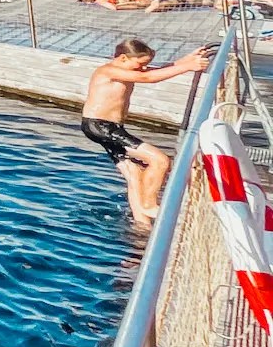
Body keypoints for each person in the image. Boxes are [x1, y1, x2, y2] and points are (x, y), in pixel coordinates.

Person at [80, 39, 216, 220]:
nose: (142, 69)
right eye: (140, 64)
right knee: (160, 161)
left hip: (104, 127)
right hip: (100, 125)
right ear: (122, 58)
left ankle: (140, 223)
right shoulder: (107, 71)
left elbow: (155, 71)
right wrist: (189, 67)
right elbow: (147, 78)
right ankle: (149, 205)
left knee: (134, 172)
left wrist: (186, 60)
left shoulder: (127, 70)